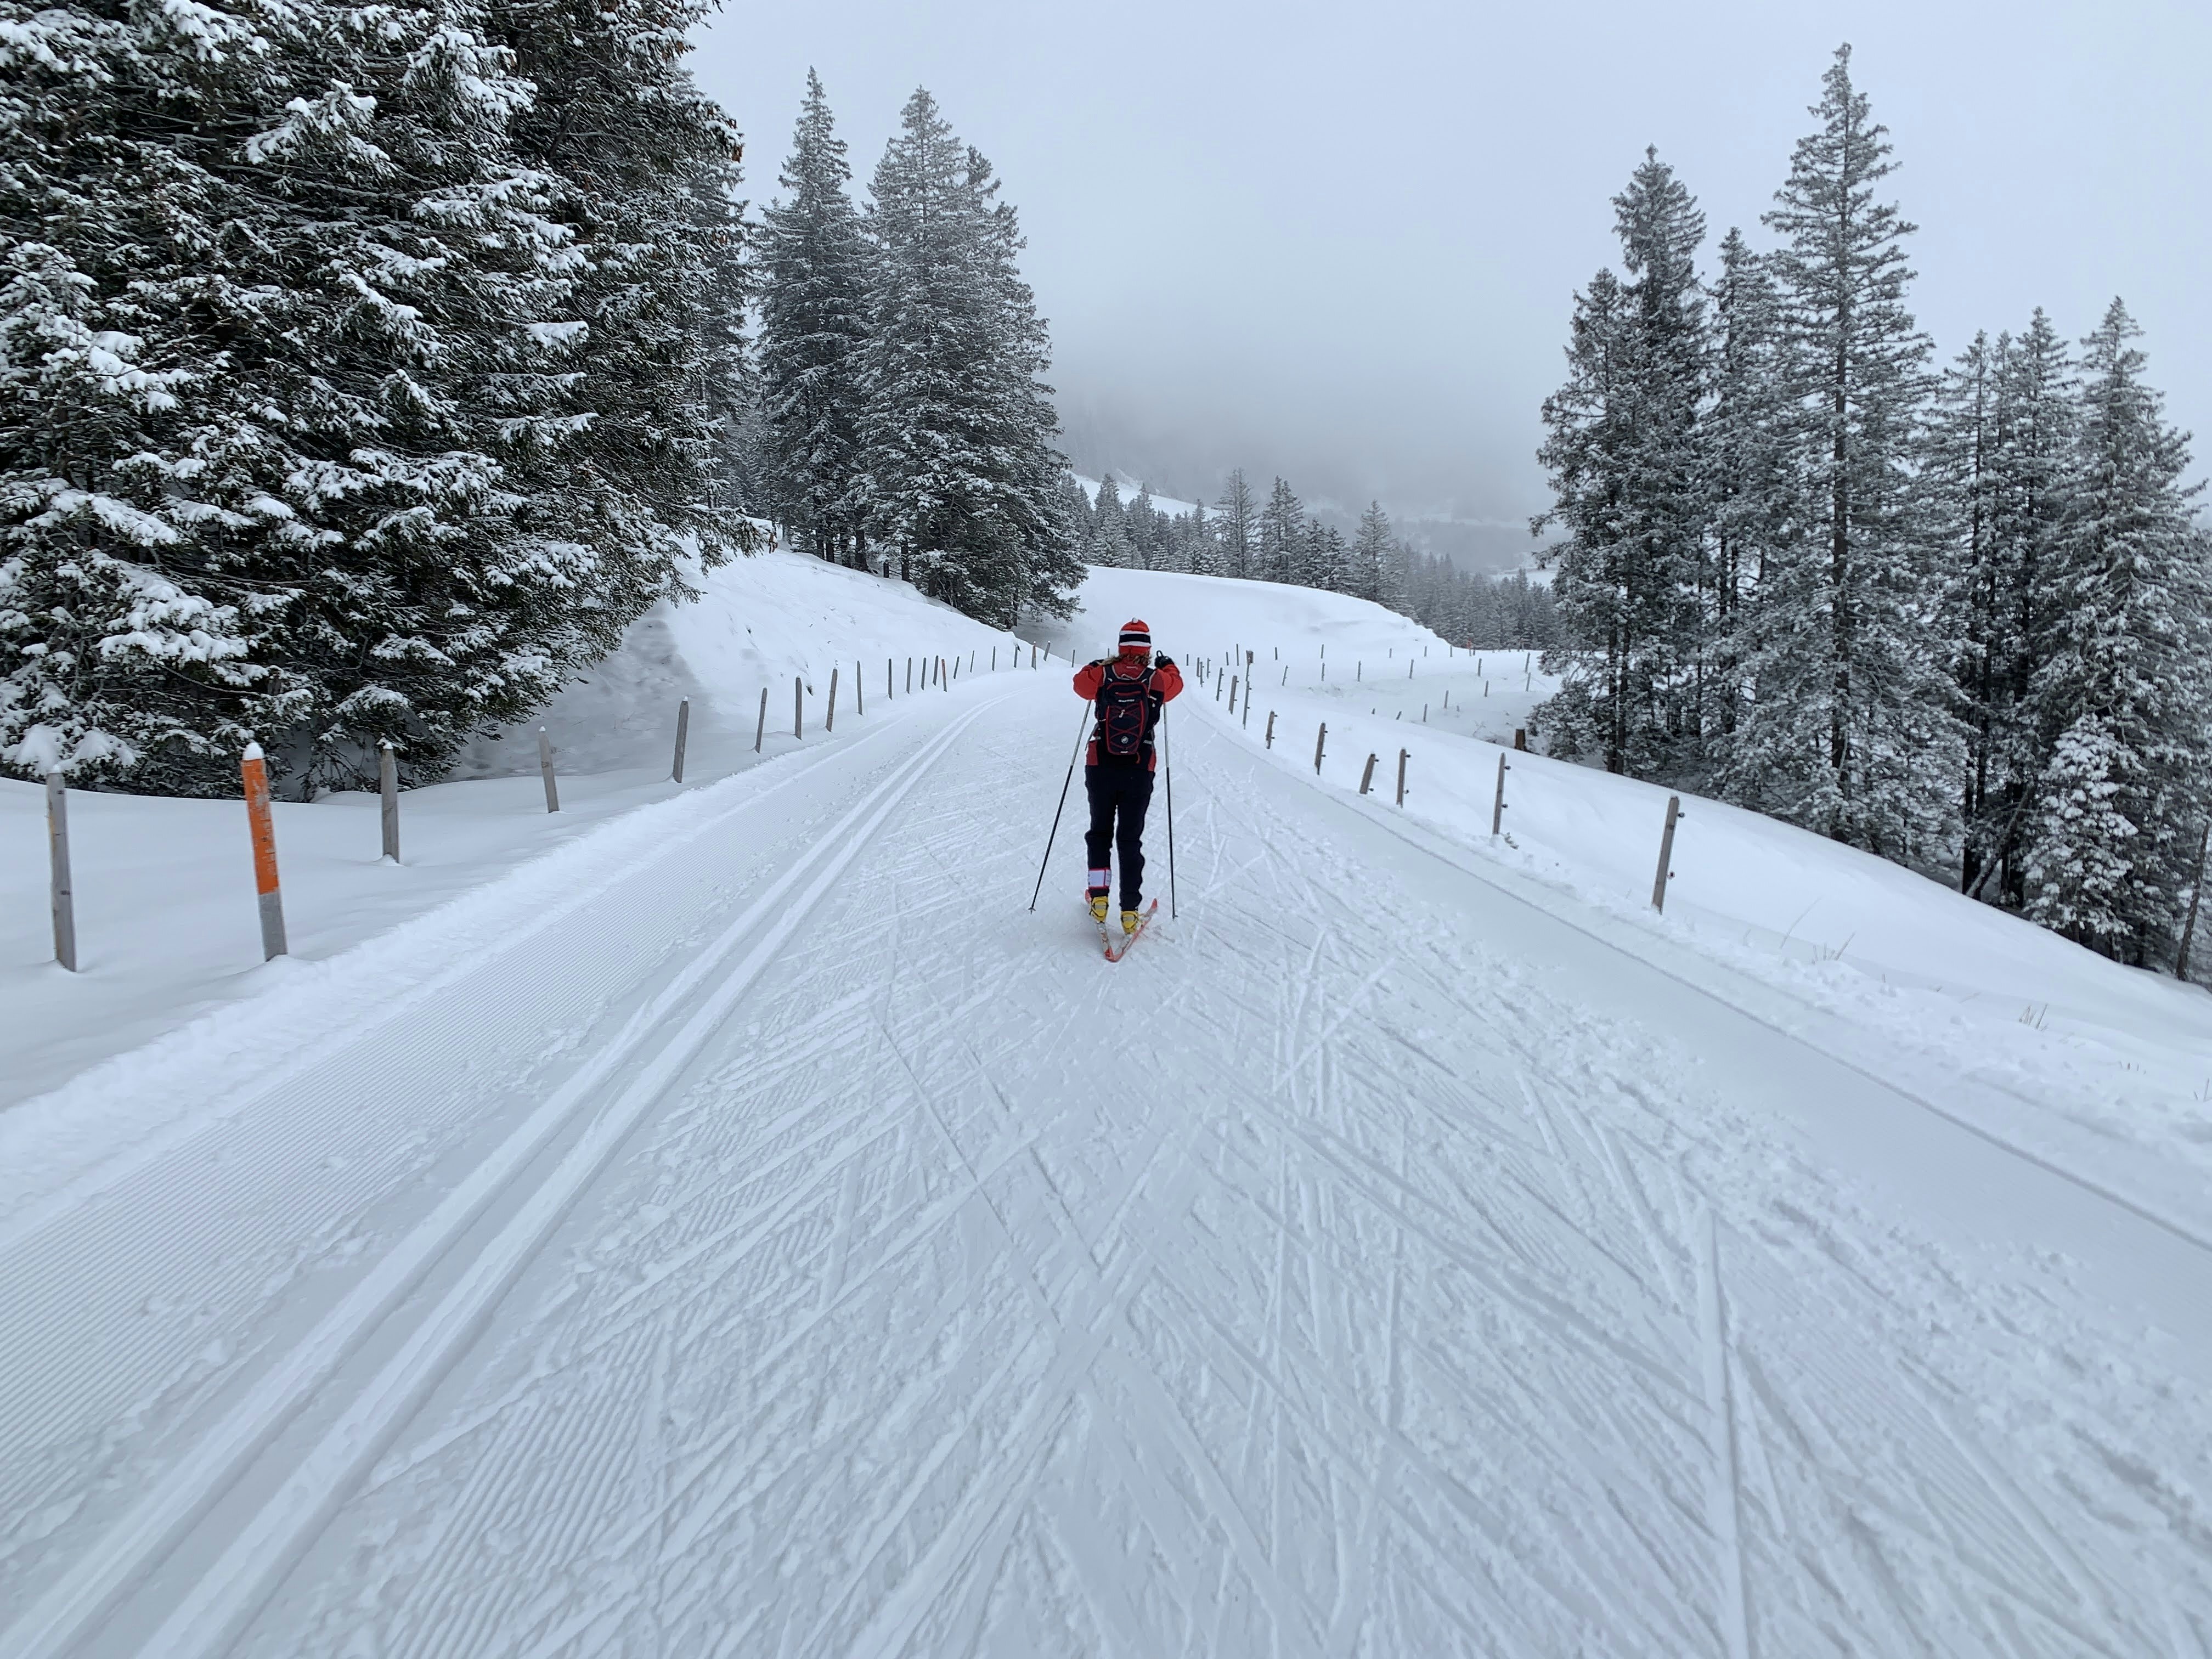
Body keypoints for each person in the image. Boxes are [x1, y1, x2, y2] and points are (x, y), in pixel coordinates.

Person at [1071, 619, 1183, 932]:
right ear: (1147, 647)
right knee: (1130, 838)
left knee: (1099, 834)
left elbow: (1080, 684)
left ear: (1121, 645)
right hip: (1139, 765)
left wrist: (1098, 664)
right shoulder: (1157, 678)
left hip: (1100, 763)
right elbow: (1177, 684)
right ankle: (1130, 910)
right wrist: (1168, 665)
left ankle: (1099, 898)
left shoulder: (1102, 675)